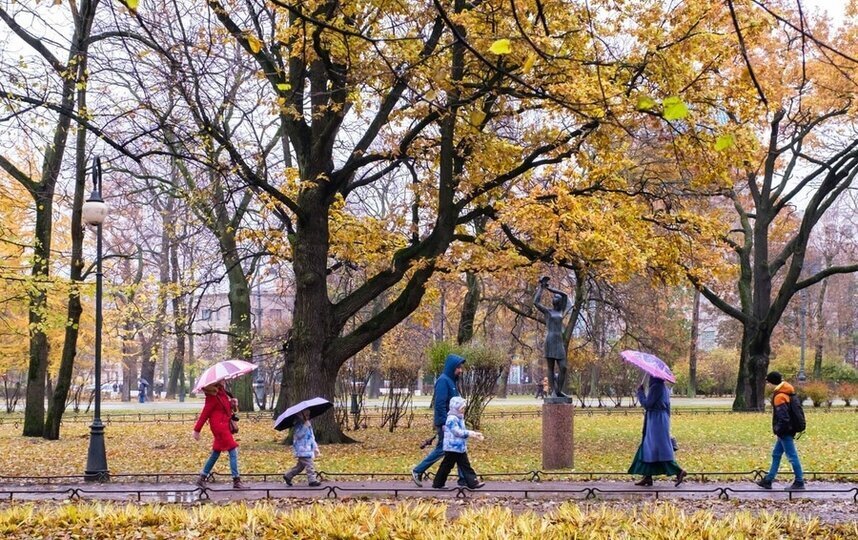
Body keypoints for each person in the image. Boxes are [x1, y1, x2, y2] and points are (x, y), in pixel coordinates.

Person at [411, 353, 466, 487]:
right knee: (444, 448)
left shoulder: (451, 381)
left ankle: (464, 479)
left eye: (461, 368)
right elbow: (440, 404)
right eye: (458, 367)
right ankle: (418, 470)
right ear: (452, 367)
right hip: (446, 423)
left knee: (458, 448)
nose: (460, 370)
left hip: (452, 422)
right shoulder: (444, 381)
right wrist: (444, 423)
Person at [628, 376, 687, 487]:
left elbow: (647, 404)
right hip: (661, 420)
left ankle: (678, 471)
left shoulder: (656, 387)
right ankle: (647, 476)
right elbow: (668, 406)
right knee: (650, 447)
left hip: (655, 421)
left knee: (657, 448)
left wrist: (640, 393)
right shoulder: (664, 387)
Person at [757, 371, 805, 490]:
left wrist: (779, 430)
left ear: (772, 382)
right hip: (787, 429)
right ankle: (768, 480)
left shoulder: (780, 396)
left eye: (768, 382)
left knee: (792, 456)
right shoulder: (787, 392)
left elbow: (783, 417)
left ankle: (799, 482)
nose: (767, 385)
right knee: (776, 454)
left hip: (785, 431)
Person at [192, 381, 244, 489]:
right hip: (219, 428)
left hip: (224, 426)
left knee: (215, 453)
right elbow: (204, 414)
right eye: (222, 379)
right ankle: (236, 480)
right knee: (233, 450)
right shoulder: (212, 397)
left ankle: (202, 477)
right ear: (216, 382)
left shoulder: (222, 393)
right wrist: (197, 430)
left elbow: (225, 409)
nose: (224, 380)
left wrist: (232, 404)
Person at [431, 397, 485, 489]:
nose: (463, 410)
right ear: (456, 408)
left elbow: (461, 431)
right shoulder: (452, 419)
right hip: (453, 447)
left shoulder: (459, 418)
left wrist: (474, 434)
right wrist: (471, 433)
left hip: (457, 446)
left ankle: (438, 483)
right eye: (462, 408)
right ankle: (473, 482)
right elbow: (457, 432)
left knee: (448, 465)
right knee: (461, 465)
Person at [533, 276, 572, 397]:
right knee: (550, 368)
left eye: (557, 298)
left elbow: (565, 295)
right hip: (550, 340)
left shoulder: (561, 312)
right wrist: (541, 287)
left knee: (563, 367)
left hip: (559, 342)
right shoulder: (548, 311)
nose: (556, 298)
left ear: (560, 302)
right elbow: (536, 302)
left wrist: (551, 289)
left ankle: (558, 391)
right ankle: (554, 392)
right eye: (555, 297)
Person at [283, 410, 322, 487]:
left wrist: (315, 447)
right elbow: (298, 435)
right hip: (302, 450)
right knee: (309, 465)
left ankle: (288, 475)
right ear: (300, 415)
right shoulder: (298, 425)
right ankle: (312, 480)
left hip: (307, 449)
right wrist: (305, 426)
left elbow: (311, 438)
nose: (308, 417)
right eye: (306, 415)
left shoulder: (308, 425)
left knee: (300, 467)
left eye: (308, 415)